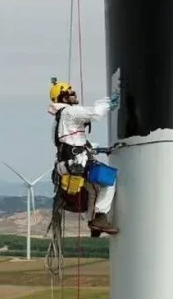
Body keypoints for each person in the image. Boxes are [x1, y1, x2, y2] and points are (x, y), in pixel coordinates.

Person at [48, 80, 120, 235]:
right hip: (75, 163)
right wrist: (110, 102)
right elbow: (95, 113)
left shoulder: (59, 119)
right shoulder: (69, 112)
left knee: (92, 189)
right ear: (63, 97)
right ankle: (98, 218)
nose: (75, 94)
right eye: (71, 92)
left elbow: (72, 141)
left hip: (66, 164)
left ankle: (94, 221)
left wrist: (97, 149)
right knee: (108, 181)